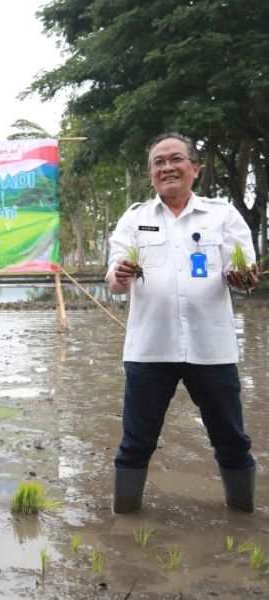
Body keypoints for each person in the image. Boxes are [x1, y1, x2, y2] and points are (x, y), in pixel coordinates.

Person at [107, 132, 259, 514]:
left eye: (176, 159)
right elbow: (113, 280)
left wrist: (242, 278)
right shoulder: (135, 218)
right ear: (151, 173)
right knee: (135, 442)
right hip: (148, 349)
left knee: (231, 439)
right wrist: (119, 277)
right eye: (159, 162)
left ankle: (242, 517)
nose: (167, 167)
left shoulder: (222, 215)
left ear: (195, 168)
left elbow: (241, 273)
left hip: (212, 349)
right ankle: (124, 520)